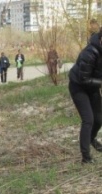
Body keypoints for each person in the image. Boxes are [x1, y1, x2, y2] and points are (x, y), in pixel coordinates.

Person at [69, 29, 102, 164]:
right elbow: (83, 79)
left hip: (92, 87)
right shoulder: (90, 53)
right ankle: (86, 158)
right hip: (79, 87)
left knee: (99, 119)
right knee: (88, 120)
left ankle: (90, 138)